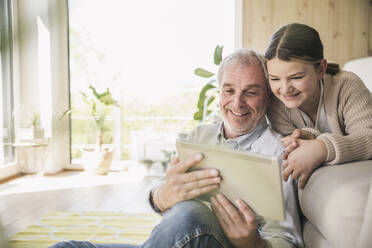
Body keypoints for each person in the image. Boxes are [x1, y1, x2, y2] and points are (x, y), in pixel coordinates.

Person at [50, 50, 303, 248]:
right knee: (66, 247)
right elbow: (159, 196)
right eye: (229, 91)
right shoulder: (200, 135)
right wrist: (162, 196)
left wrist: (252, 244)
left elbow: (287, 240)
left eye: (251, 92)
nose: (237, 103)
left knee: (189, 213)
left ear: (268, 97)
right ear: (219, 93)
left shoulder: (278, 152)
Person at [265, 23, 372, 189]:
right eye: (275, 79)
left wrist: (322, 147)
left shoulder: (347, 86)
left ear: (321, 69)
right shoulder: (276, 104)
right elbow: (292, 150)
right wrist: (308, 138)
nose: (285, 89)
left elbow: (368, 137)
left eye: (296, 77)